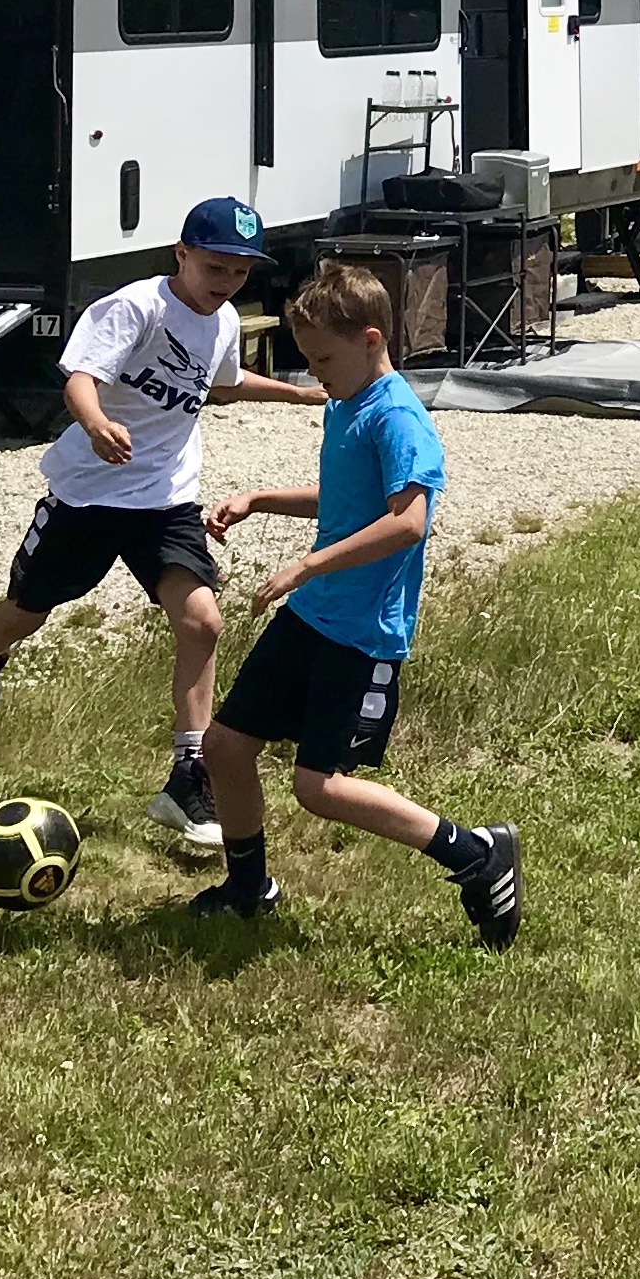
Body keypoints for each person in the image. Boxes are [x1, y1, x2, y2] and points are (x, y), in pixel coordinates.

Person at [0, 195, 329, 852]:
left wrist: (297, 393)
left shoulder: (223, 323)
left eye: (239, 274)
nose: (225, 284)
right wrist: (95, 424)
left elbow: (222, 385)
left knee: (202, 620)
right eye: (214, 267)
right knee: (26, 611)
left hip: (165, 500)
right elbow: (79, 377)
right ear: (181, 253)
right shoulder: (137, 307)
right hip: (89, 496)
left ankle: (189, 774)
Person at [190, 263, 524, 946]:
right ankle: (249, 887)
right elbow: (346, 504)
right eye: (308, 361)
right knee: (225, 748)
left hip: (361, 635)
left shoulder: (399, 416)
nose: (316, 376)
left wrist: (308, 563)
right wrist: (261, 500)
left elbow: (407, 521)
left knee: (319, 787)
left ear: (371, 339)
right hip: (313, 617)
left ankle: (475, 854)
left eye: (324, 360)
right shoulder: (347, 402)